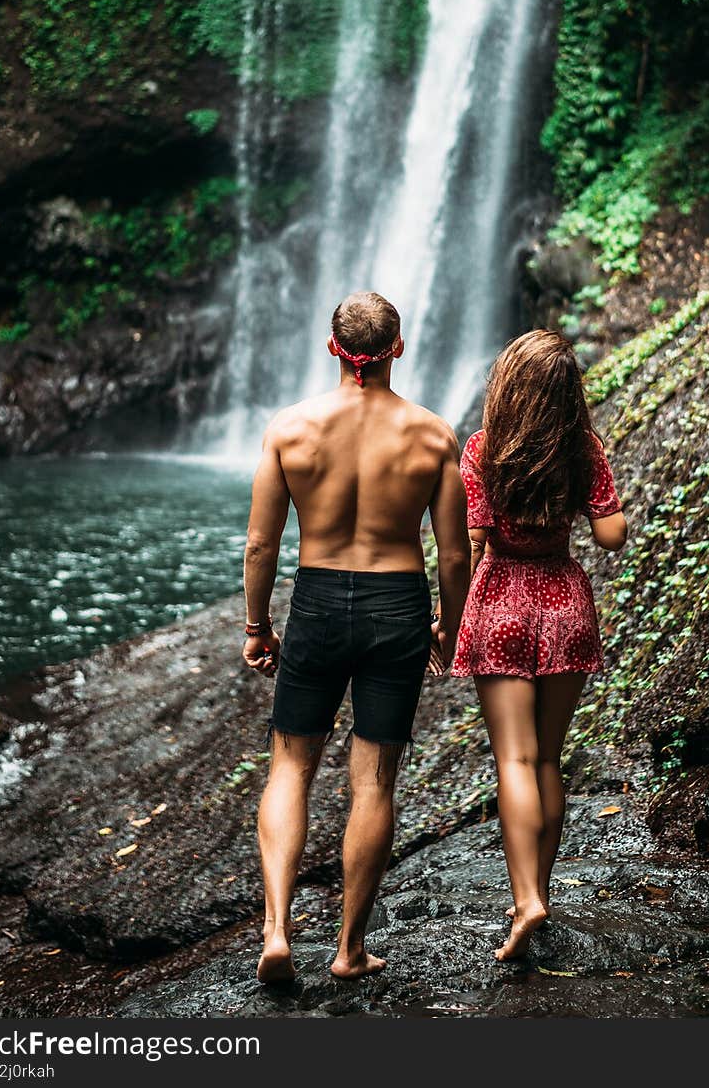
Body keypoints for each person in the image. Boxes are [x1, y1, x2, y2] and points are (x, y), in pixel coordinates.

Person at [242, 291, 471, 984]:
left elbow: (260, 543)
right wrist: (449, 627)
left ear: (332, 347)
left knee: (290, 768)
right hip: (394, 605)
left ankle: (277, 931)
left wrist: (258, 625)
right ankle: (348, 950)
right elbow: (455, 555)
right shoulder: (433, 436)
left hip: (314, 602)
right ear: (397, 347)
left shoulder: (290, 429)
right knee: (373, 783)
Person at [451, 329, 627, 961]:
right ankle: (539, 889)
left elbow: (472, 541)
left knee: (514, 762)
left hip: (500, 601)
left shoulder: (482, 449)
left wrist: (452, 614)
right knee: (548, 759)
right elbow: (611, 535)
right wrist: (594, 488)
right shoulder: (583, 449)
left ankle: (525, 897)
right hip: (564, 605)